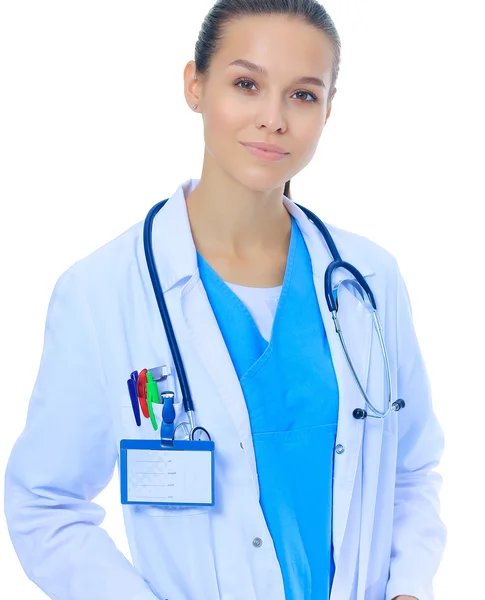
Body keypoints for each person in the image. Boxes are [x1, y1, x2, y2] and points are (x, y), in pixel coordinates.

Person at [4, 1, 446, 599]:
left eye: (303, 95)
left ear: (328, 110)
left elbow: (412, 469)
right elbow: (44, 502)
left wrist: (407, 589)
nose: (273, 119)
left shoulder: (368, 280)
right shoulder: (101, 293)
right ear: (195, 85)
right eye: (246, 84)